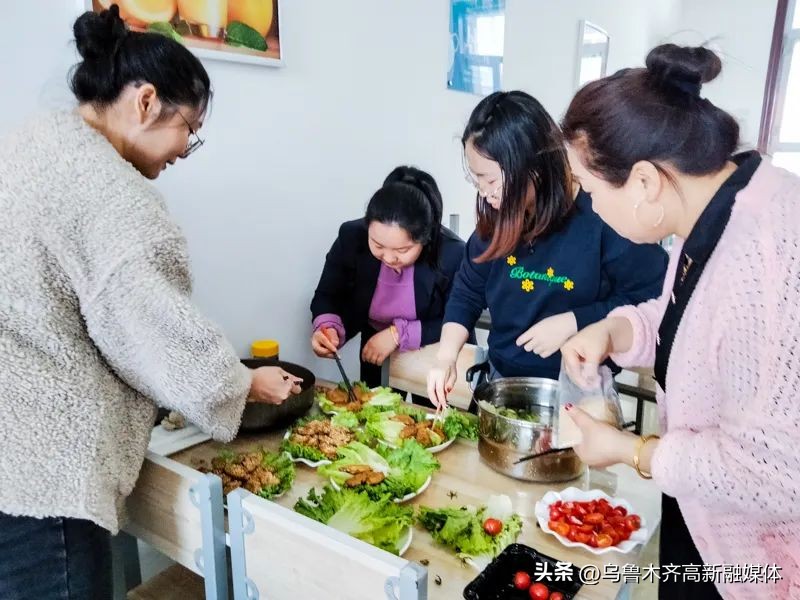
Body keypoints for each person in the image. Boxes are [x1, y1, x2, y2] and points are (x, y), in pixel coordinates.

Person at [0, 8, 300, 599]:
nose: (187, 148)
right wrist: (243, 384)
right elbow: (161, 336)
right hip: (42, 473)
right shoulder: (113, 195)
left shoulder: (32, 142)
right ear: (144, 101)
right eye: (189, 127)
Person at [559, 44, 800, 599]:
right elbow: (688, 320)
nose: (592, 208)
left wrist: (628, 450)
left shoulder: (762, 258)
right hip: (707, 525)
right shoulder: (721, 208)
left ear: (644, 182)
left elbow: (773, 470)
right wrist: (617, 331)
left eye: (592, 191)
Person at [427, 91, 668, 406]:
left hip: (579, 390)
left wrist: (575, 321)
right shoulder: (500, 219)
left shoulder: (603, 216)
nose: (485, 194)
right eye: (478, 182)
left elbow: (649, 300)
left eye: (490, 181)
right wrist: (446, 357)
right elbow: (468, 290)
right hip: (503, 380)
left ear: (533, 168)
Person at [310, 166, 468, 405]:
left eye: (403, 250)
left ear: (425, 239)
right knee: (376, 418)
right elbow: (326, 295)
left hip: (435, 353)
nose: (389, 258)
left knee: (433, 424)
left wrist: (398, 334)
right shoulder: (351, 237)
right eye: (378, 245)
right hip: (376, 348)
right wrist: (327, 327)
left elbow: (457, 317)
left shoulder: (451, 253)